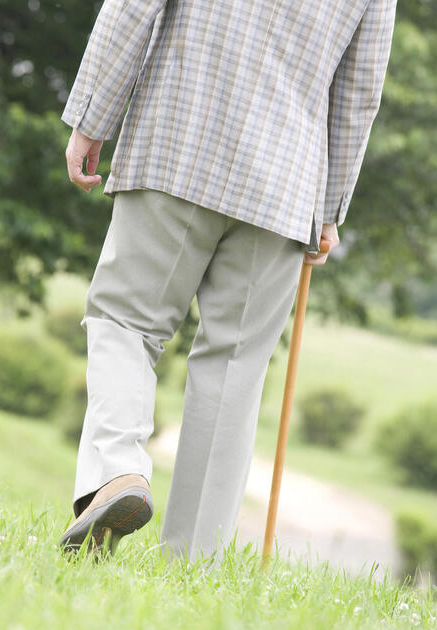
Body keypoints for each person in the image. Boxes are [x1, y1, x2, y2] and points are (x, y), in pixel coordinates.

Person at [58, 0, 397, 560]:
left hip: (176, 144)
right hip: (285, 185)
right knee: (234, 368)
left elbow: (131, 7)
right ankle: (191, 561)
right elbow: (360, 93)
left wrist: (93, 118)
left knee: (125, 319)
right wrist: (331, 207)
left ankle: (116, 472)